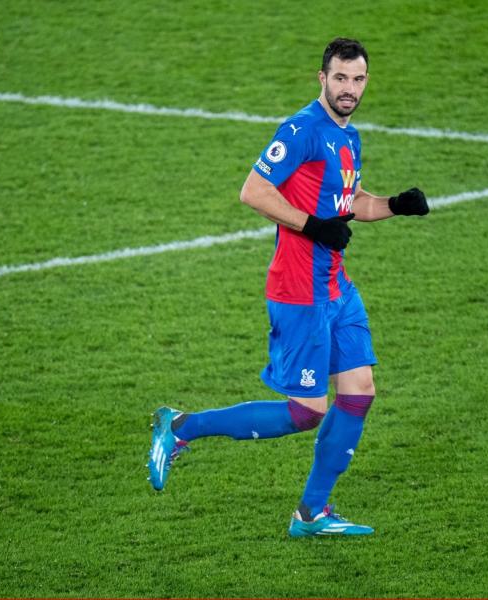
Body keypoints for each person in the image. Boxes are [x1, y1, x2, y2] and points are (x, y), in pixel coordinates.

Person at [147, 37, 429, 537]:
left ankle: (311, 513)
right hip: (300, 289)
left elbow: (351, 202)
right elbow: (253, 191)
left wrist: (394, 204)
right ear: (321, 78)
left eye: (357, 79)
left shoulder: (350, 136)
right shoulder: (300, 130)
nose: (349, 88)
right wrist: (312, 226)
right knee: (305, 412)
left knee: (359, 392)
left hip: (336, 286)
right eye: (340, 78)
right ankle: (182, 427)